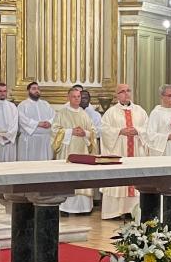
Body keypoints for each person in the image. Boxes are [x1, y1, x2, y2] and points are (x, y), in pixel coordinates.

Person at [100, 83, 148, 219]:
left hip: (136, 151)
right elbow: (104, 130)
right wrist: (119, 131)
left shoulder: (140, 111)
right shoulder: (110, 112)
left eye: (128, 91)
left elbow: (147, 128)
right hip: (119, 150)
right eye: (122, 91)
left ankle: (134, 211)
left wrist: (137, 131)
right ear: (117, 95)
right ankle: (115, 211)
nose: (126, 94)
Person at [52, 86, 95, 214]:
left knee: (82, 177)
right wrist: (71, 132)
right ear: (69, 98)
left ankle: (84, 208)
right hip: (67, 150)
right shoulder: (61, 113)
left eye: (78, 97)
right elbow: (54, 130)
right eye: (74, 97)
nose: (77, 99)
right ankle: (65, 208)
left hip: (82, 149)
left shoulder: (85, 114)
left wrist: (85, 133)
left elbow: (93, 132)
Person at [15, 81, 54, 161]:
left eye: (38, 89)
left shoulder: (45, 104)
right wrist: (38, 124)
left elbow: (54, 116)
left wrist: (49, 122)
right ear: (28, 91)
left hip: (45, 139)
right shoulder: (23, 105)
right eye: (34, 89)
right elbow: (22, 119)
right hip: (30, 138)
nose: (37, 91)